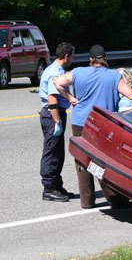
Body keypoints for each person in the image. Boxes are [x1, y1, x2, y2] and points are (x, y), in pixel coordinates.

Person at [54, 44, 132, 209]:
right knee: (105, 161)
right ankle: (115, 200)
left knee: (82, 160)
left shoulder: (78, 72)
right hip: (103, 124)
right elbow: (130, 93)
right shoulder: (113, 76)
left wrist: (70, 97)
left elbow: (58, 82)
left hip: (80, 121)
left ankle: (87, 201)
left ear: (90, 59)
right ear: (105, 58)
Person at [38, 42, 75, 202]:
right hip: (53, 114)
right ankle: (49, 188)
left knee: (58, 152)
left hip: (54, 114)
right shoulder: (55, 73)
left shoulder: (56, 69)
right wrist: (57, 121)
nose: (72, 59)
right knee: (52, 152)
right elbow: (52, 99)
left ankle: (57, 185)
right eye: (72, 56)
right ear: (66, 56)